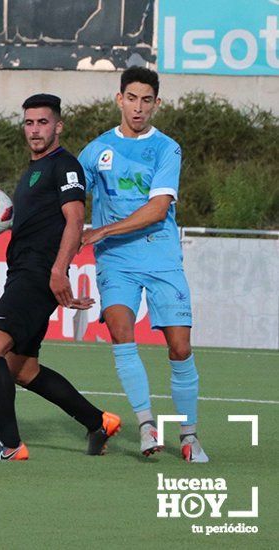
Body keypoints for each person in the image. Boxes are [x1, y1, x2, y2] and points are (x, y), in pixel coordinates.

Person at [0, 93, 122, 461]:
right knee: (22, 369)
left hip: (37, 274)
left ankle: (9, 444)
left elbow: (75, 220)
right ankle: (98, 421)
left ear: (59, 126)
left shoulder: (65, 165)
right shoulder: (32, 170)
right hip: (26, 274)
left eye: (43, 122)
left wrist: (58, 270)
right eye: (29, 123)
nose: (35, 130)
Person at [79, 67, 208, 462]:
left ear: (156, 104)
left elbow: (157, 210)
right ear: (120, 99)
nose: (138, 107)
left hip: (160, 255)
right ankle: (146, 426)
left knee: (179, 348)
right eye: (131, 98)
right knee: (121, 333)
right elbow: (67, 199)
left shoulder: (167, 149)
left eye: (146, 100)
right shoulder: (95, 151)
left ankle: (189, 436)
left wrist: (100, 231)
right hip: (116, 261)